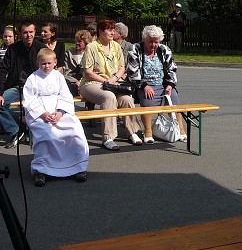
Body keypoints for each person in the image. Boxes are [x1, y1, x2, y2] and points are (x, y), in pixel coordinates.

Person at [23, 48, 89, 187]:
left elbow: (65, 95)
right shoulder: (32, 78)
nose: (46, 66)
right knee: (46, 133)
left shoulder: (58, 76)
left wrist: (60, 112)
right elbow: (29, 100)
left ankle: (78, 167)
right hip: (41, 114)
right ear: (37, 62)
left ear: (55, 62)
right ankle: (41, 170)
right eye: (43, 63)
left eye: (49, 63)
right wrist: (43, 113)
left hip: (59, 112)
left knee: (74, 130)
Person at [79, 19, 142, 151]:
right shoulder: (91, 47)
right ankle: (108, 137)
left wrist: (114, 78)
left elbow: (122, 67)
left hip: (113, 82)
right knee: (109, 97)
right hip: (92, 83)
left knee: (126, 98)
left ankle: (132, 132)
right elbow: (88, 72)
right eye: (109, 29)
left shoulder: (116, 46)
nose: (112, 32)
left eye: (113, 29)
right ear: (100, 31)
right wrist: (105, 81)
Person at [127, 25, 187, 144]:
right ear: (144, 39)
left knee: (175, 101)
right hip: (143, 85)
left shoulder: (164, 49)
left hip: (163, 84)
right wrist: (144, 86)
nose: (153, 45)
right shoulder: (135, 49)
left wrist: (170, 84)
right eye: (150, 42)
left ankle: (180, 130)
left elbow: (172, 68)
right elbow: (132, 72)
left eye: (156, 42)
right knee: (148, 102)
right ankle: (148, 132)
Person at [0, 20, 46, 149]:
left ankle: (35, 135)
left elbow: (48, 71)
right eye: (25, 32)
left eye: (31, 32)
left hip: (36, 89)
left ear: (35, 32)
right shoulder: (13, 49)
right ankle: (14, 131)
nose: (28, 35)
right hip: (17, 87)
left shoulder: (41, 49)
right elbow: (3, 71)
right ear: (20, 34)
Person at [63, 29, 91, 96]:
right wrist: (76, 82)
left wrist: (82, 82)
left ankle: (89, 106)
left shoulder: (90, 53)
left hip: (86, 80)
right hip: (72, 80)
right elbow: (66, 71)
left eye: (80, 41)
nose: (77, 43)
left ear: (86, 42)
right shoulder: (69, 53)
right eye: (76, 41)